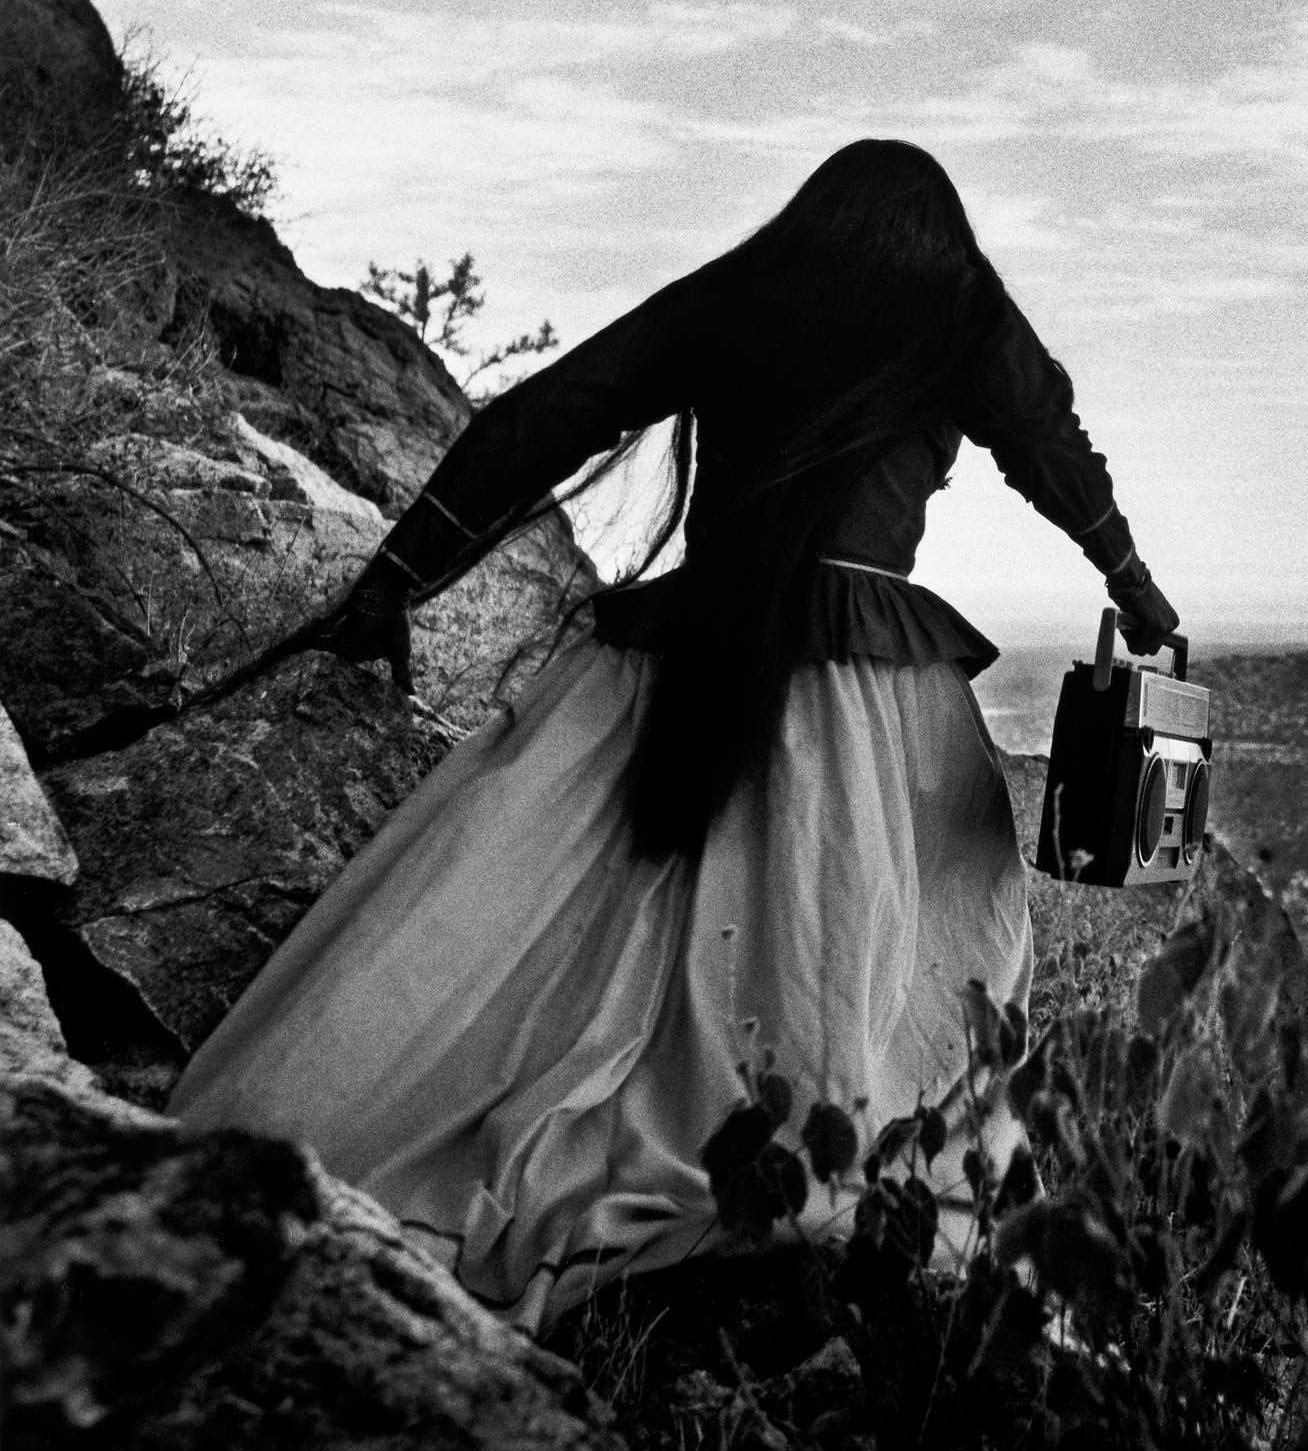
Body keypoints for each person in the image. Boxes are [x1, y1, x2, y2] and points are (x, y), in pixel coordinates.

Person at [169, 139, 1178, 1332]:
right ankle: (826, 1176)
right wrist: (1136, 586)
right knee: (906, 945)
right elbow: (1050, 444)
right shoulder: (955, 306)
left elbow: (551, 417)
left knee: (533, 909)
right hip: (864, 690)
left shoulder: (741, 290)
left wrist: (399, 577)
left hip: (678, 657)